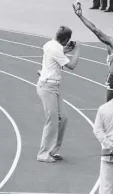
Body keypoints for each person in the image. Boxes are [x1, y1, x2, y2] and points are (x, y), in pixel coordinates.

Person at [36, 26, 80, 163]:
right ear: (66, 39)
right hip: (47, 87)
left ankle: (52, 150)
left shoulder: (49, 44)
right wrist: (77, 50)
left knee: (64, 118)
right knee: (52, 120)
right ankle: (43, 154)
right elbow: (72, 66)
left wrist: (65, 50)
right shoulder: (56, 48)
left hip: (54, 86)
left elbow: (55, 58)